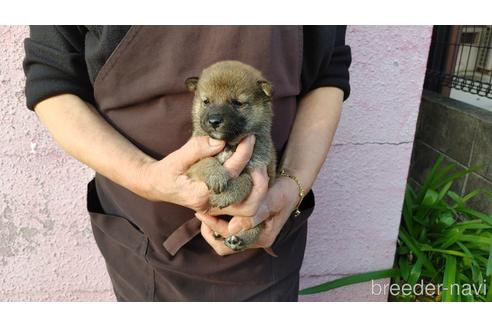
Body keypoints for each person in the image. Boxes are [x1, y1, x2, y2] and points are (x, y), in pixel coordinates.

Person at [23, 26, 351, 301]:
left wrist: (289, 189)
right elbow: (53, 76)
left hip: (266, 240)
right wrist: (143, 176)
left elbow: (327, 73)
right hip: (143, 238)